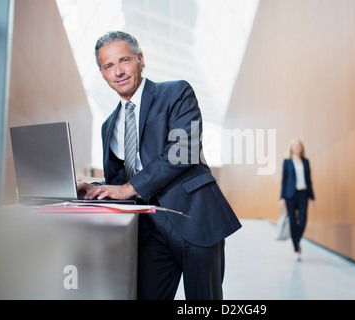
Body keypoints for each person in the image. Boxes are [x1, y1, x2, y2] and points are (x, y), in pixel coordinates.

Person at [78, 31, 242, 300]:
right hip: (150, 231)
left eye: (124, 60)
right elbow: (121, 184)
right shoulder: (109, 125)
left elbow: (183, 151)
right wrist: (92, 188)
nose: (118, 71)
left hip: (193, 219)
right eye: (109, 66)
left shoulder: (175, 92)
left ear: (140, 59)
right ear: (102, 72)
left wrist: (129, 188)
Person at [279, 139, 315, 261]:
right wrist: (282, 198)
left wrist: (312, 197)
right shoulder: (287, 162)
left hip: (303, 194)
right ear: (291, 148)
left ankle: (297, 240)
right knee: (293, 222)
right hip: (290, 195)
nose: (297, 147)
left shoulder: (305, 162)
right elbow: (283, 181)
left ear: (301, 147)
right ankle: (296, 248)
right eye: (295, 145)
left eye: (298, 145)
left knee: (303, 221)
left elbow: (309, 180)